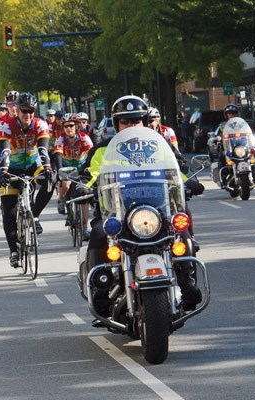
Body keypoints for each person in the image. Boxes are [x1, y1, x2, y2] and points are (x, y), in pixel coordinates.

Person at [82, 95, 202, 317]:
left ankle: (188, 283)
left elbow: (178, 169)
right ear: (116, 124)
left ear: (145, 122)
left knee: (181, 231)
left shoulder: (160, 144)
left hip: (157, 210)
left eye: (136, 120)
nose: (131, 125)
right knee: (98, 234)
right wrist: (85, 187)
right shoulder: (103, 150)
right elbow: (89, 174)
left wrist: (189, 182)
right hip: (116, 213)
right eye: (125, 121)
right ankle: (101, 291)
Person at [0, 92, 54, 268]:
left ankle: (34, 216)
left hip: (32, 164)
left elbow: (43, 150)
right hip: (11, 167)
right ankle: (14, 251)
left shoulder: (40, 125)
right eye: (24, 111)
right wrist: (3, 171)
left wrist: (49, 169)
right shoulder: (4, 124)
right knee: (9, 212)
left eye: (31, 111)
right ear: (17, 111)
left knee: (50, 183)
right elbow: (5, 151)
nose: (27, 115)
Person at [54, 114, 94, 239]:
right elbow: (58, 155)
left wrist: (90, 169)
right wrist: (60, 170)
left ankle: (85, 228)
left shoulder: (84, 138)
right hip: (66, 167)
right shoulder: (60, 139)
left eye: (71, 125)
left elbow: (92, 154)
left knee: (83, 196)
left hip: (81, 168)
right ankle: (61, 200)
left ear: (76, 126)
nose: (68, 128)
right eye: (65, 126)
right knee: (65, 183)